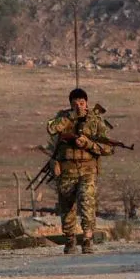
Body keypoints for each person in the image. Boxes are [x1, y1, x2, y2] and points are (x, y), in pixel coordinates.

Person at [46, 88, 115, 254]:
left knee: (87, 201)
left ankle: (87, 238)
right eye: (75, 103)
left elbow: (108, 148)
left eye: (82, 103)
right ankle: (70, 240)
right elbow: (51, 129)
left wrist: (89, 144)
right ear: (70, 104)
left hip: (87, 169)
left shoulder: (95, 120)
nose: (79, 106)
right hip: (67, 170)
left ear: (87, 103)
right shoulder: (62, 118)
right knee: (67, 206)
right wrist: (70, 117)